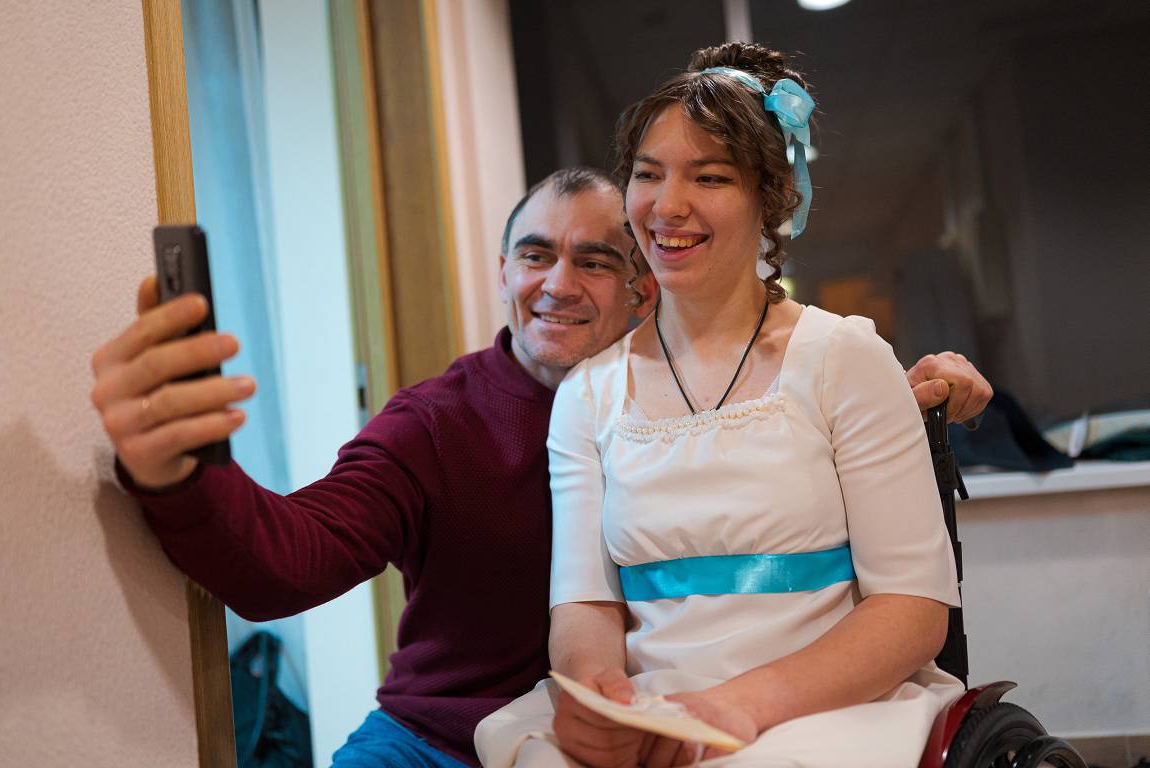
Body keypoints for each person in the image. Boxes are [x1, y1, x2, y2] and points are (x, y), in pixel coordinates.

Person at [90, 165, 989, 765]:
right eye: (535, 255)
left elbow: (786, 446)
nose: (557, 284)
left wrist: (905, 398)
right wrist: (177, 470)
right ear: (503, 273)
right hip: (438, 740)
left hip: (647, 733)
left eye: (594, 261)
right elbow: (290, 561)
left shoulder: (711, 393)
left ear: (644, 288)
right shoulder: (435, 424)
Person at [475, 43, 972, 768]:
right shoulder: (588, 393)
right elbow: (585, 605)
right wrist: (602, 700)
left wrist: (738, 707)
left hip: (827, 707)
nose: (667, 205)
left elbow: (913, 612)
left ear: (769, 199)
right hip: (656, 705)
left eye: (709, 177)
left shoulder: (844, 358)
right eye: (648, 174)